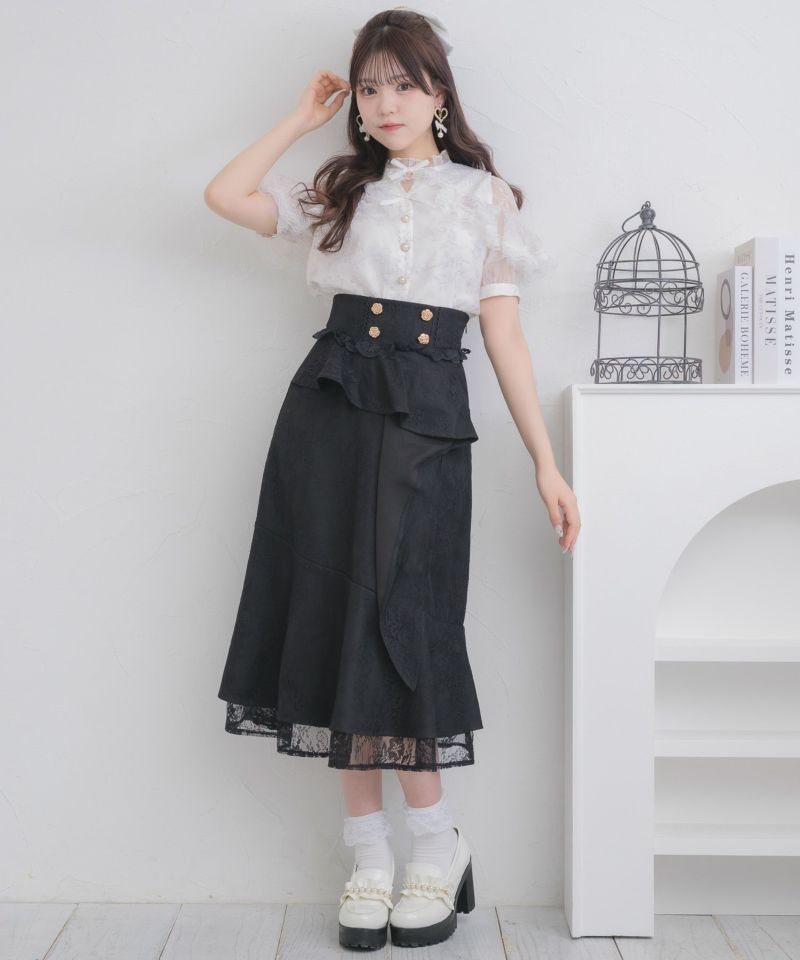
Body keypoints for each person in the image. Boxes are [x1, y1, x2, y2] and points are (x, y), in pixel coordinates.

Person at [203, 7, 581, 951]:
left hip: (426, 420)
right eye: (369, 88)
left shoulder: (484, 198)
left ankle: (436, 843)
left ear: (439, 93)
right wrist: (300, 118)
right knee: (334, 616)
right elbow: (225, 195)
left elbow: (504, 337)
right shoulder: (341, 190)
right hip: (327, 415)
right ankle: (368, 858)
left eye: (403, 84)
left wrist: (546, 462)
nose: (384, 103)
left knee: (405, 622)